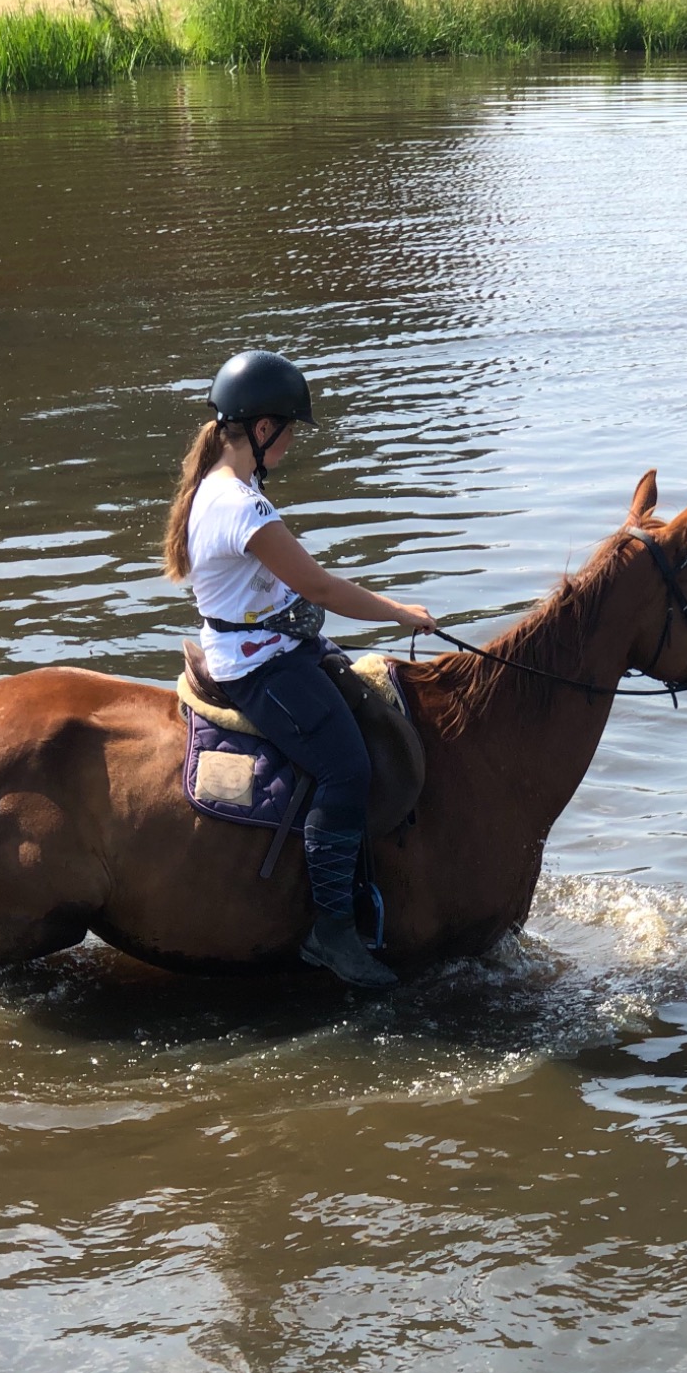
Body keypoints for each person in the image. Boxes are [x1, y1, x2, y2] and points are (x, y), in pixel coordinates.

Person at [163, 350, 438, 989]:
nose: (290, 444)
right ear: (263, 430)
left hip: (280, 647)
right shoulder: (242, 507)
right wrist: (400, 613)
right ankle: (331, 933)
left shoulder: (227, 486)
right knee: (347, 769)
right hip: (257, 665)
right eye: (288, 431)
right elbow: (318, 586)